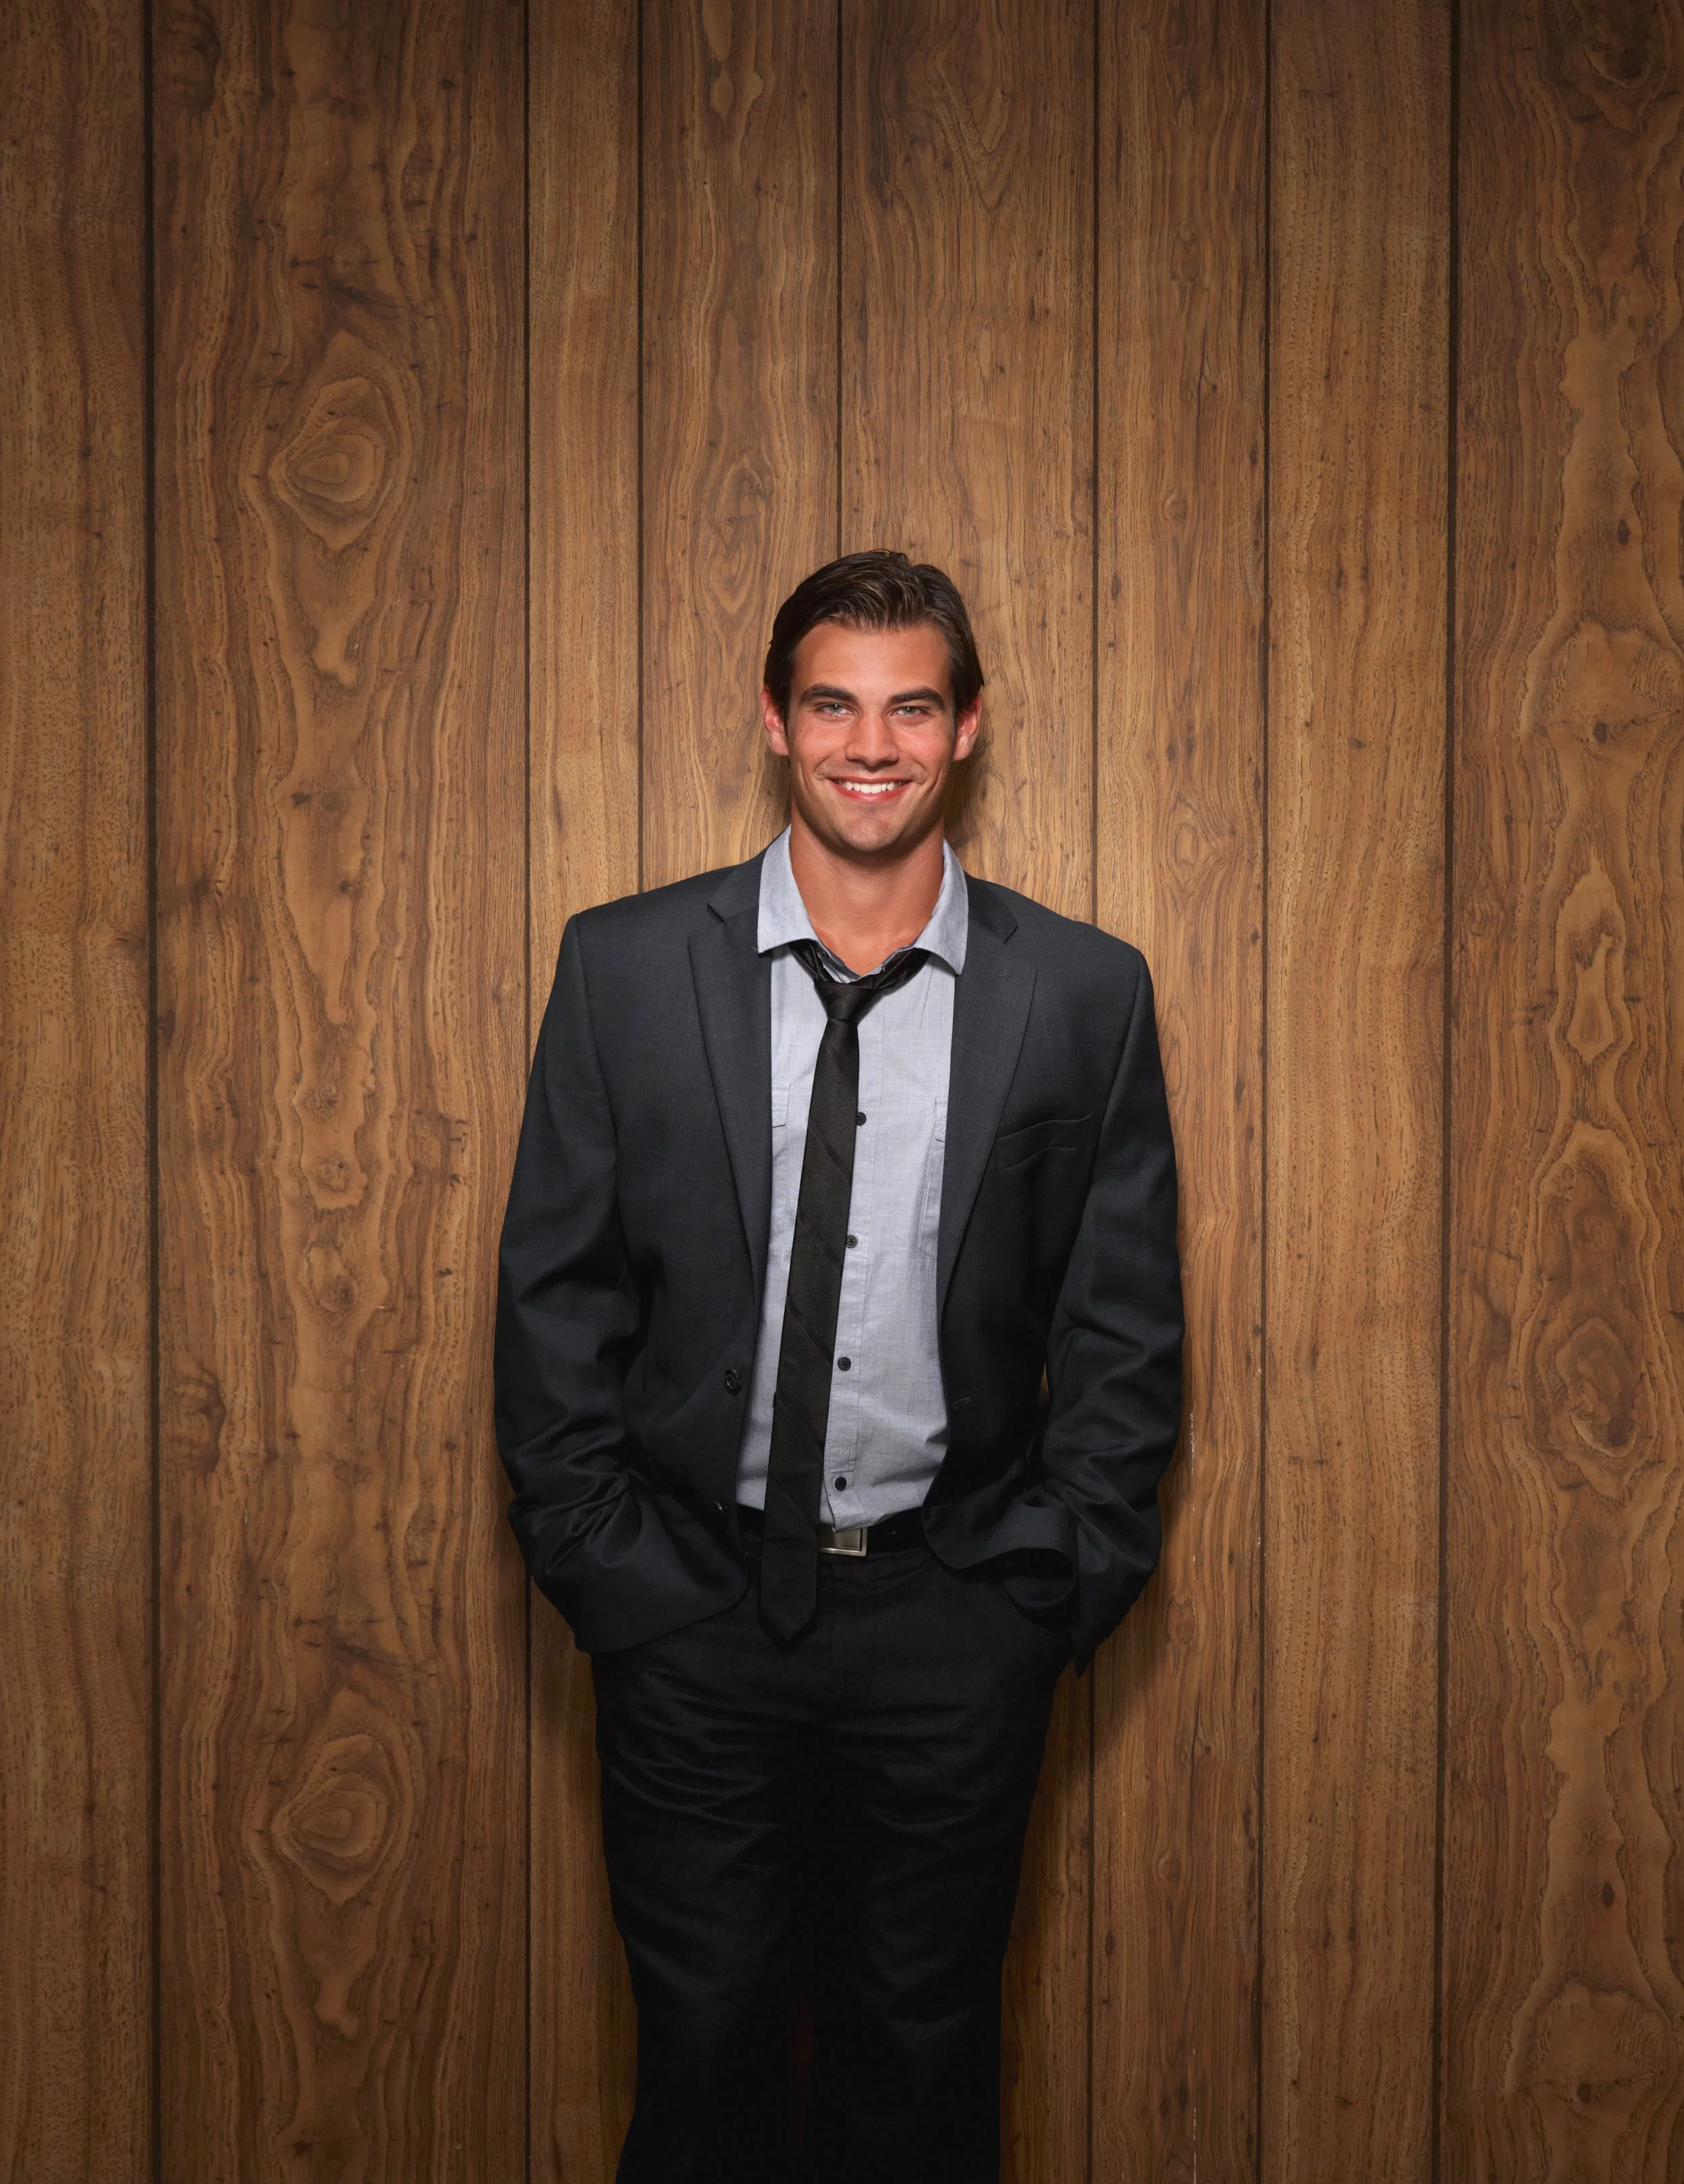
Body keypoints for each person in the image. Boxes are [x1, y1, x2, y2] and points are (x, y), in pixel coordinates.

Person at [495, 550, 1183, 2183]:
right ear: (774, 719)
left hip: (956, 1610)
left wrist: (1041, 1591)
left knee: (922, 2067)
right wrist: (613, 1576)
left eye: (909, 705)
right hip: (690, 1611)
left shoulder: (1081, 992)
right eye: (832, 702)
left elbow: (1121, 1323)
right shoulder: (622, 966)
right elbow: (556, 1298)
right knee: (706, 2053)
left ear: (964, 731)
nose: (867, 743)